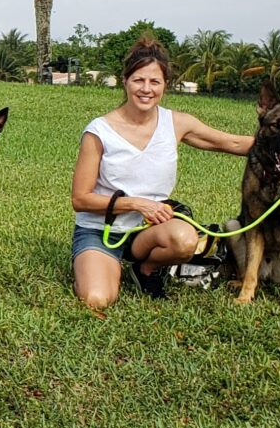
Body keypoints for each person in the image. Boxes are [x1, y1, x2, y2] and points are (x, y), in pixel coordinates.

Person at [70, 36, 252, 310]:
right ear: (125, 81)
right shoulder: (99, 131)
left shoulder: (175, 123)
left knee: (185, 239)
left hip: (148, 232)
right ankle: (99, 264)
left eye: (154, 82)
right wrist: (135, 203)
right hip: (100, 231)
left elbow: (232, 143)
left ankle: (147, 269)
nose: (146, 89)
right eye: (138, 80)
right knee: (98, 299)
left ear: (165, 85)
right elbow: (80, 199)